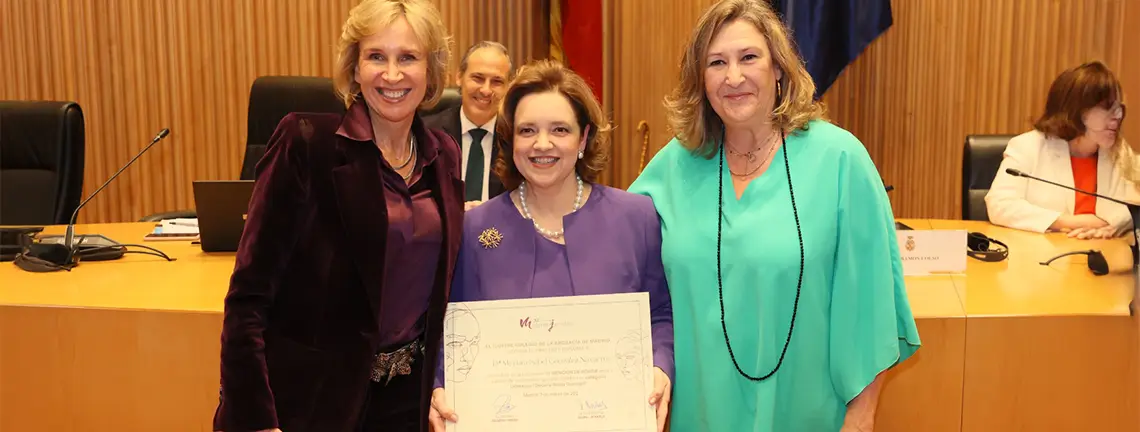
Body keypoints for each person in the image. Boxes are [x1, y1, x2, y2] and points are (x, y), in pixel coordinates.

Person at [627, 0, 921, 430]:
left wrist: (861, 415)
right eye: (716, 63)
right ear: (700, 80)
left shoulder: (840, 160)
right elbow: (615, 260)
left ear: (779, 69)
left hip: (807, 410)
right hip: (700, 413)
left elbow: (871, 304)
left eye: (749, 57)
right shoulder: (674, 165)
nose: (734, 77)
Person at [212, 1, 463, 431]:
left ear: (432, 71)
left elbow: (442, 294)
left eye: (408, 57)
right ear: (354, 68)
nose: (392, 74)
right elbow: (248, 298)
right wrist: (256, 417)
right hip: (308, 403)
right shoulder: (306, 143)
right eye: (376, 57)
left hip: (408, 402)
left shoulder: (444, 154)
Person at [426, 59, 675, 432]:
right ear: (511, 141)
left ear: (584, 138)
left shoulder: (636, 217)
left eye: (560, 129)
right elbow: (453, 331)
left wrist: (660, 366)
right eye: (528, 131)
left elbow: (659, 315)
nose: (542, 144)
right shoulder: (475, 228)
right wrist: (440, 386)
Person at [986, 61, 1133, 239]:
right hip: (1041, 258)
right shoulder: (1028, 147)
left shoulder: (1120, 153)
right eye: (1107, 107)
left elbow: (1133, 208)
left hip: (1104, 256)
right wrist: (1066, 222)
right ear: (1076, 110)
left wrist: (1112, 224)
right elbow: (999, 204)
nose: (1118, 116)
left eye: (1119, 108)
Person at [425, 41, 514, 210]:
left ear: (508, 87)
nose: (486, 90)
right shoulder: (429, 134)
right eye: (478, 78)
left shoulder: (517, 139)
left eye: (496, 82)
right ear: (459, 77)